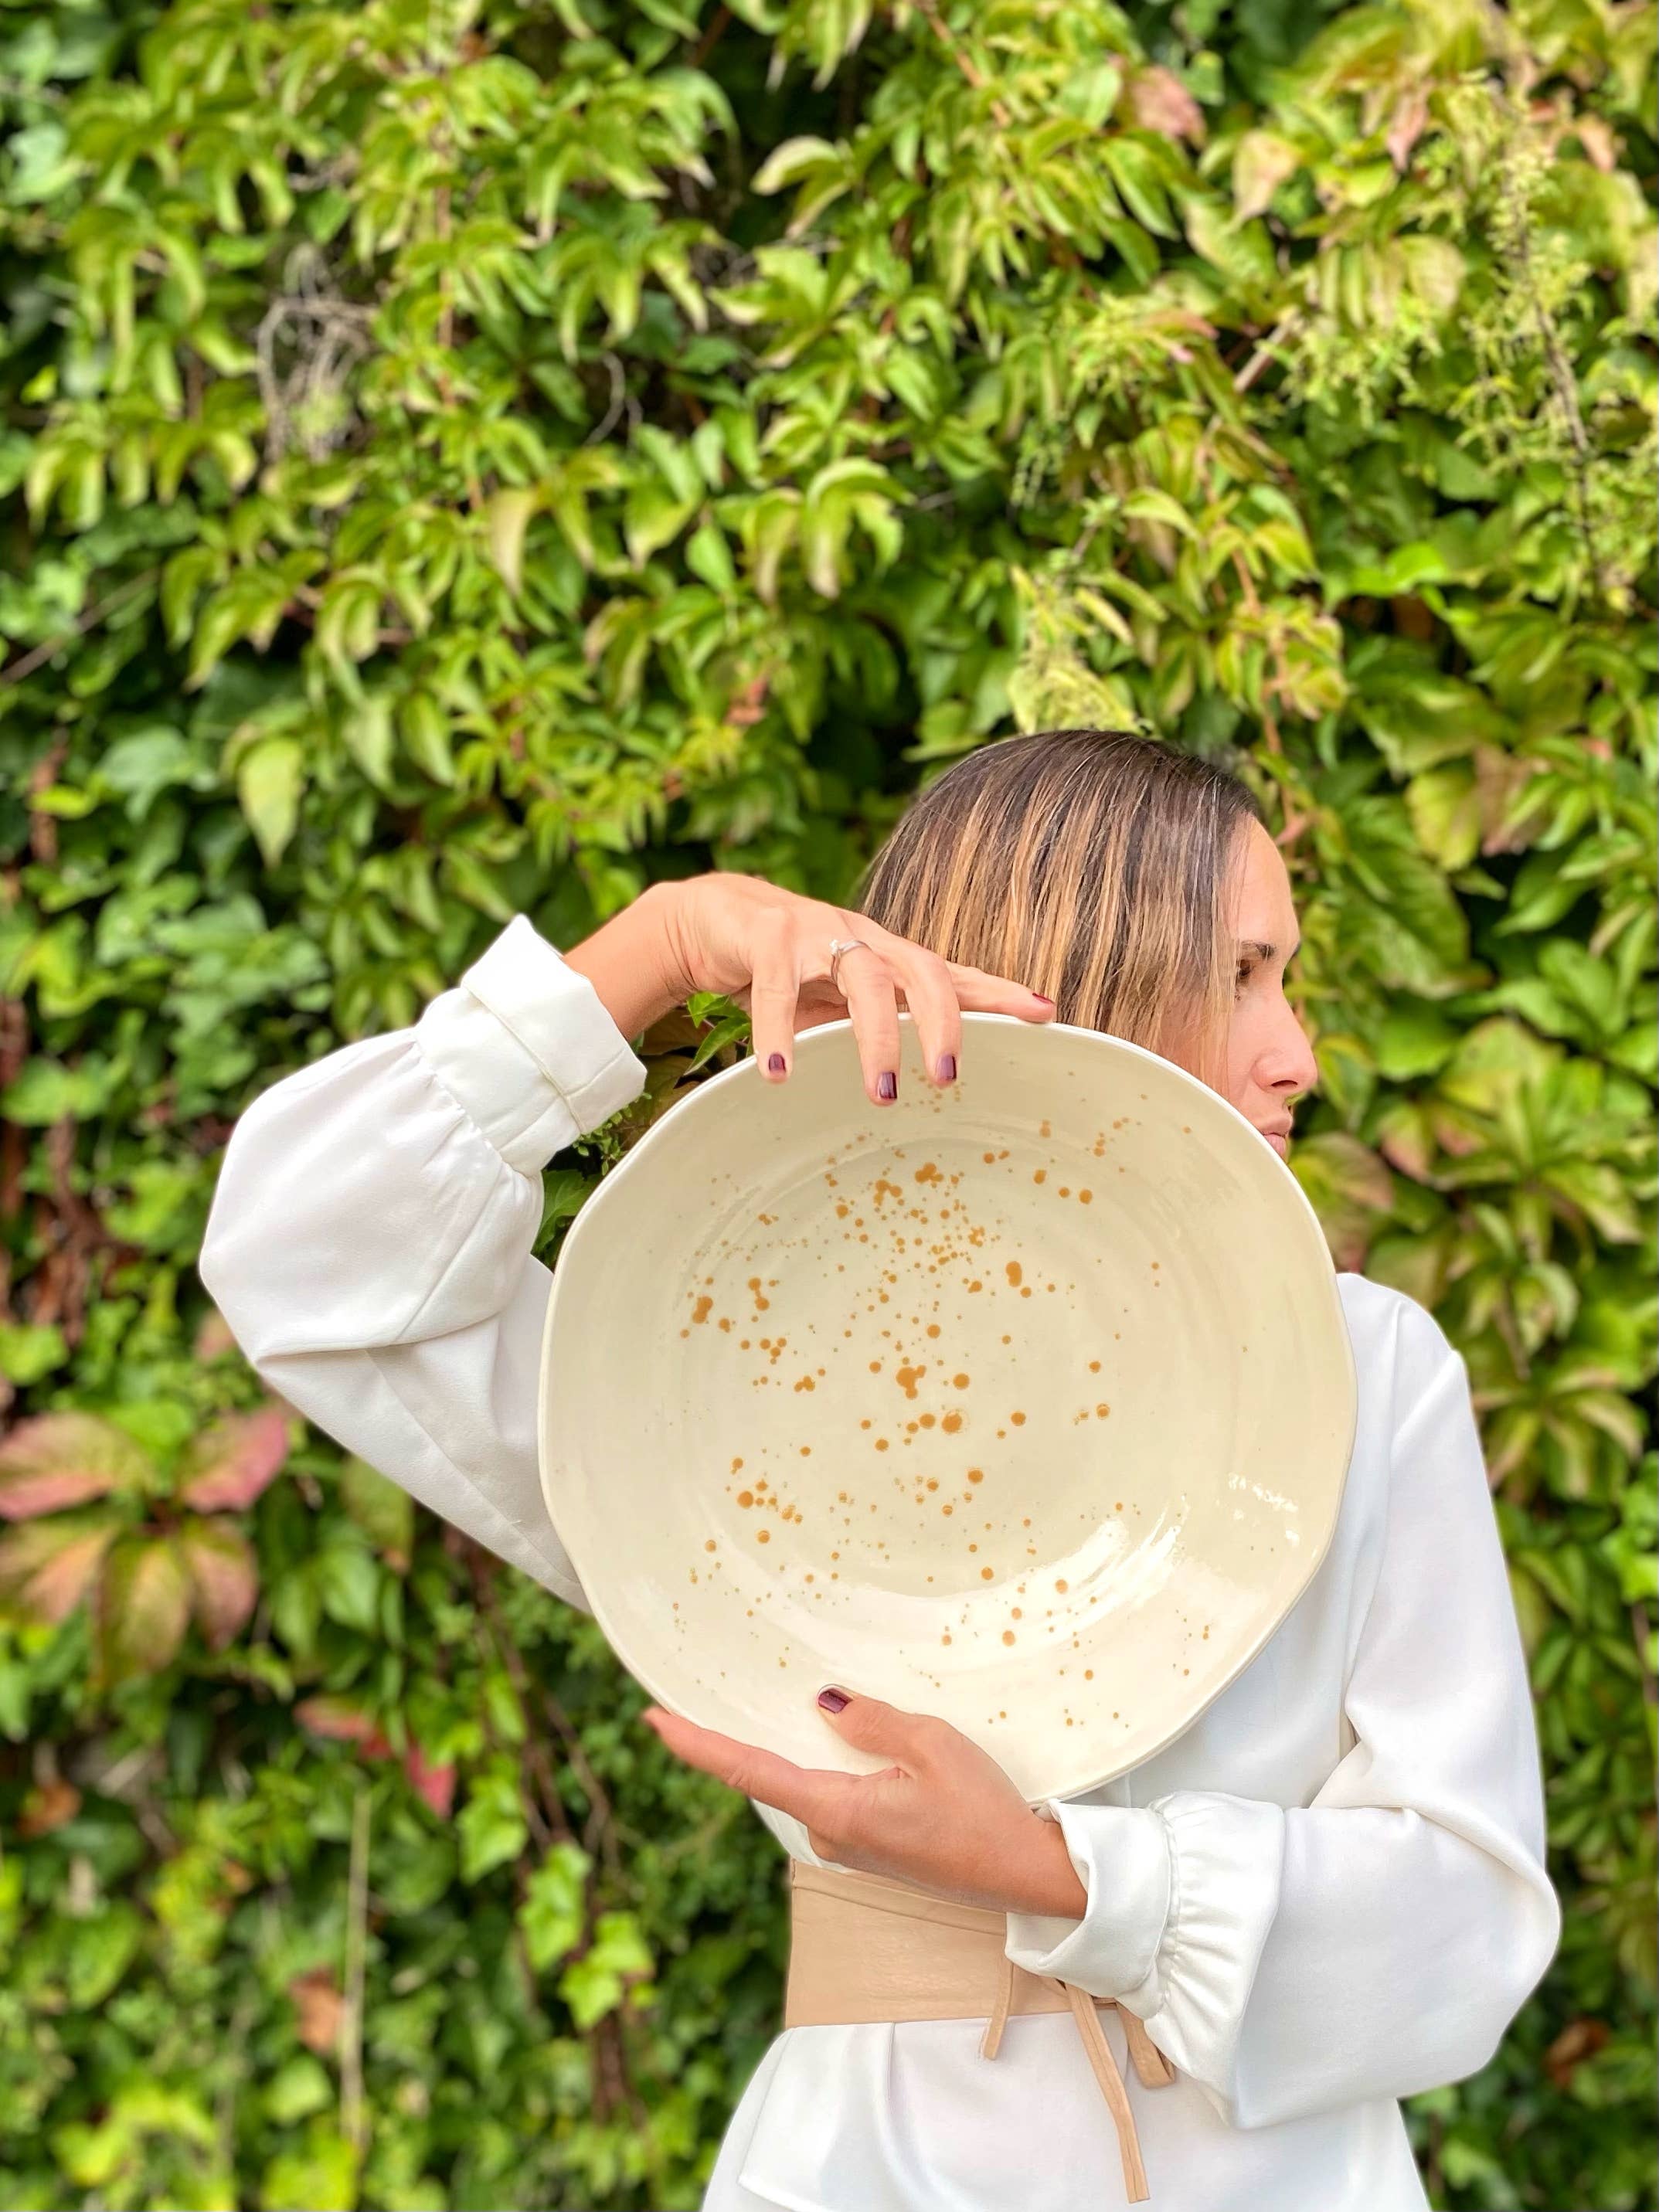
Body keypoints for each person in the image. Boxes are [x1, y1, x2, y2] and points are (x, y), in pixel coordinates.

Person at [200, 729, 1559, 2211]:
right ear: (1072, 971)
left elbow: (1467, 1931)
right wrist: (661, 944)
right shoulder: (723, 1365)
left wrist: (1069, 1876)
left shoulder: (1361, 1367)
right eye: (1242, 973)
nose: (1296, 1049)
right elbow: (306, 1255)